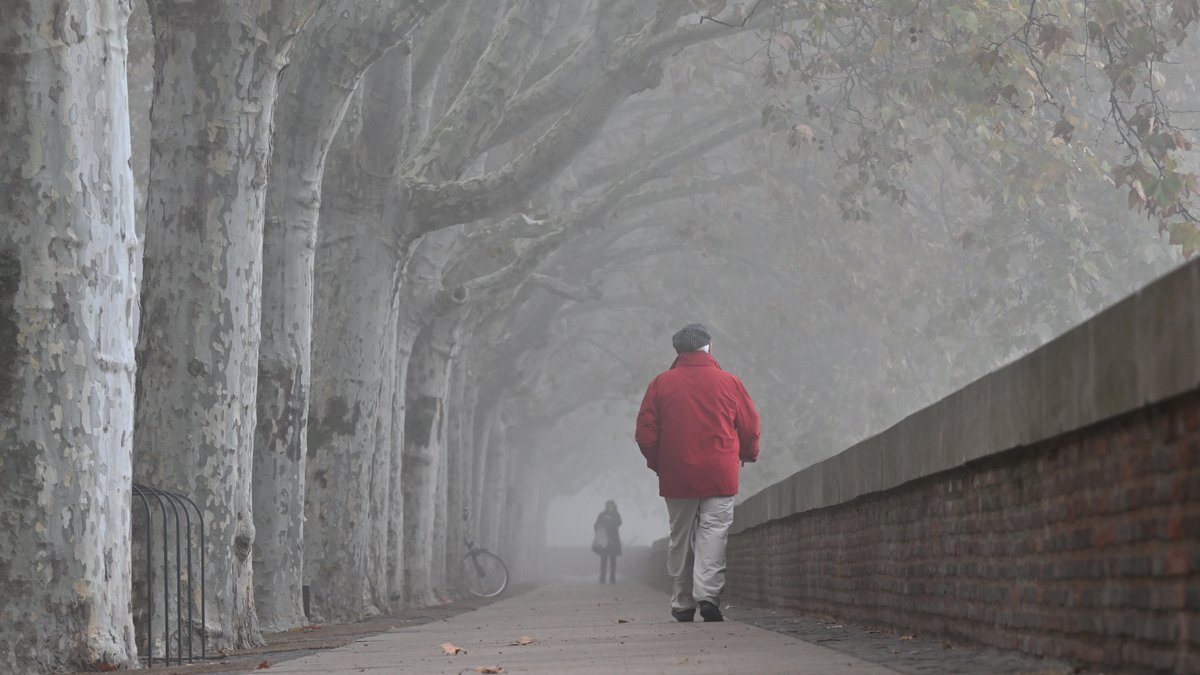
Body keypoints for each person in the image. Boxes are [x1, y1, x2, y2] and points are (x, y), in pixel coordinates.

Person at [635, 323, 760, 622]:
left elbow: (645, 434)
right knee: (714, 533)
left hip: (677, 474)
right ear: (709, 347)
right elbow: (750, 426)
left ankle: (682, 601)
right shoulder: (730, 382)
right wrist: (746, 454)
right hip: (720, 472)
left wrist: (659, 462)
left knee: (680, 537)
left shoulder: (660, 384)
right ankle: (708, 596)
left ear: (678, 351)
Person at [593, 500, 622, 584]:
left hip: (614, 540)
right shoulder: (601, 515)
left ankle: (612, 578)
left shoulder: (616, 515)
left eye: (610, 506)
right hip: (603, 539)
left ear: (613, 507)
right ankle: (602, 578)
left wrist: (611, 520)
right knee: (603, 560)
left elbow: (619, 523)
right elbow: (596, 525)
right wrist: (598, 526)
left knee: (613, 560)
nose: (609, 507)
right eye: (607, 506)